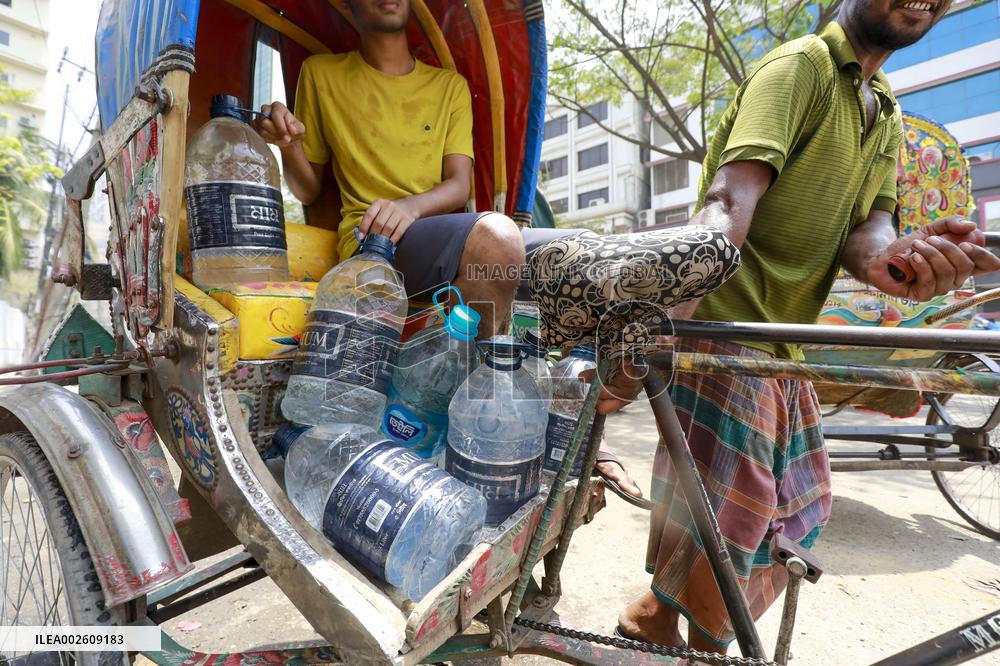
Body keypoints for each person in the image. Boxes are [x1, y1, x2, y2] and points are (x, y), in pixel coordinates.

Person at [600, 0, 1000, 657]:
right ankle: (706, 648)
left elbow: (870, 234)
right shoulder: (800, 70)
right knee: (748, 524)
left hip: (780, 346)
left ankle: (652, 615)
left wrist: (902, 262)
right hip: (722, 332)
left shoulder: (885, 109)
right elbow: (728, 202)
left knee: (788, 505)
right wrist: (650, 336)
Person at [251, 0, 642, 494]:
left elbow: (459, 185)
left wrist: (411, 207)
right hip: (374, 244)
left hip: (444, 231)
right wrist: (285, 144)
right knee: (498, 240)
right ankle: (486, 427)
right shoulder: (321, 74)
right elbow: (308, 190)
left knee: (588, 255)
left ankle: (575, 429)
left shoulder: (447, 86)